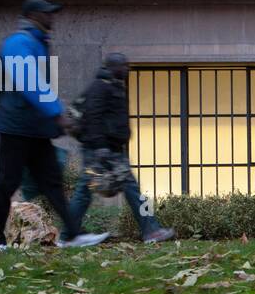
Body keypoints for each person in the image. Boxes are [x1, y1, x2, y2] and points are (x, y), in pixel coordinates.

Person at [0, 0, 109, 251]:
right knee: (7, 182)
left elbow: (40, 85)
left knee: (51, 183)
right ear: (34, 15)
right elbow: (29, 82)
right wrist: (57, 113)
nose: (53, 18)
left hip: (34, 128)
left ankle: (73, 234)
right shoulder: (19, 42)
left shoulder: (36, 42)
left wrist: (55, 116)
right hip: (16, 126)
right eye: (48, 13)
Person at [69, 53, 175, 244]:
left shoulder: (115, 86)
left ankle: (151, 230)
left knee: (128, 190)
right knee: (86, 191)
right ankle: (68, 235)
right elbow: (93, 116)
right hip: (100, 150)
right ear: (112, 67)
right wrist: (101, 147)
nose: (128, 69)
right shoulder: (101, 87)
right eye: (124, 65)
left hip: (113, 150)